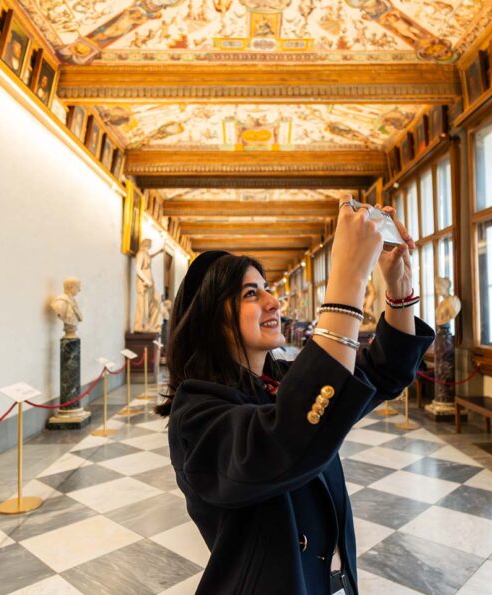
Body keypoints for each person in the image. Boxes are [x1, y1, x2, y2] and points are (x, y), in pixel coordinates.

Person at [156, 200, 434, 594]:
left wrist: (399, 292)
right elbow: (286, 436)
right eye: (251, 294)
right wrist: (348, 278)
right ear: (211, 319)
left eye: (267, 288)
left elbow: (381, 372)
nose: (274, 302)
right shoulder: (196, 414)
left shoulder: (278, 382)